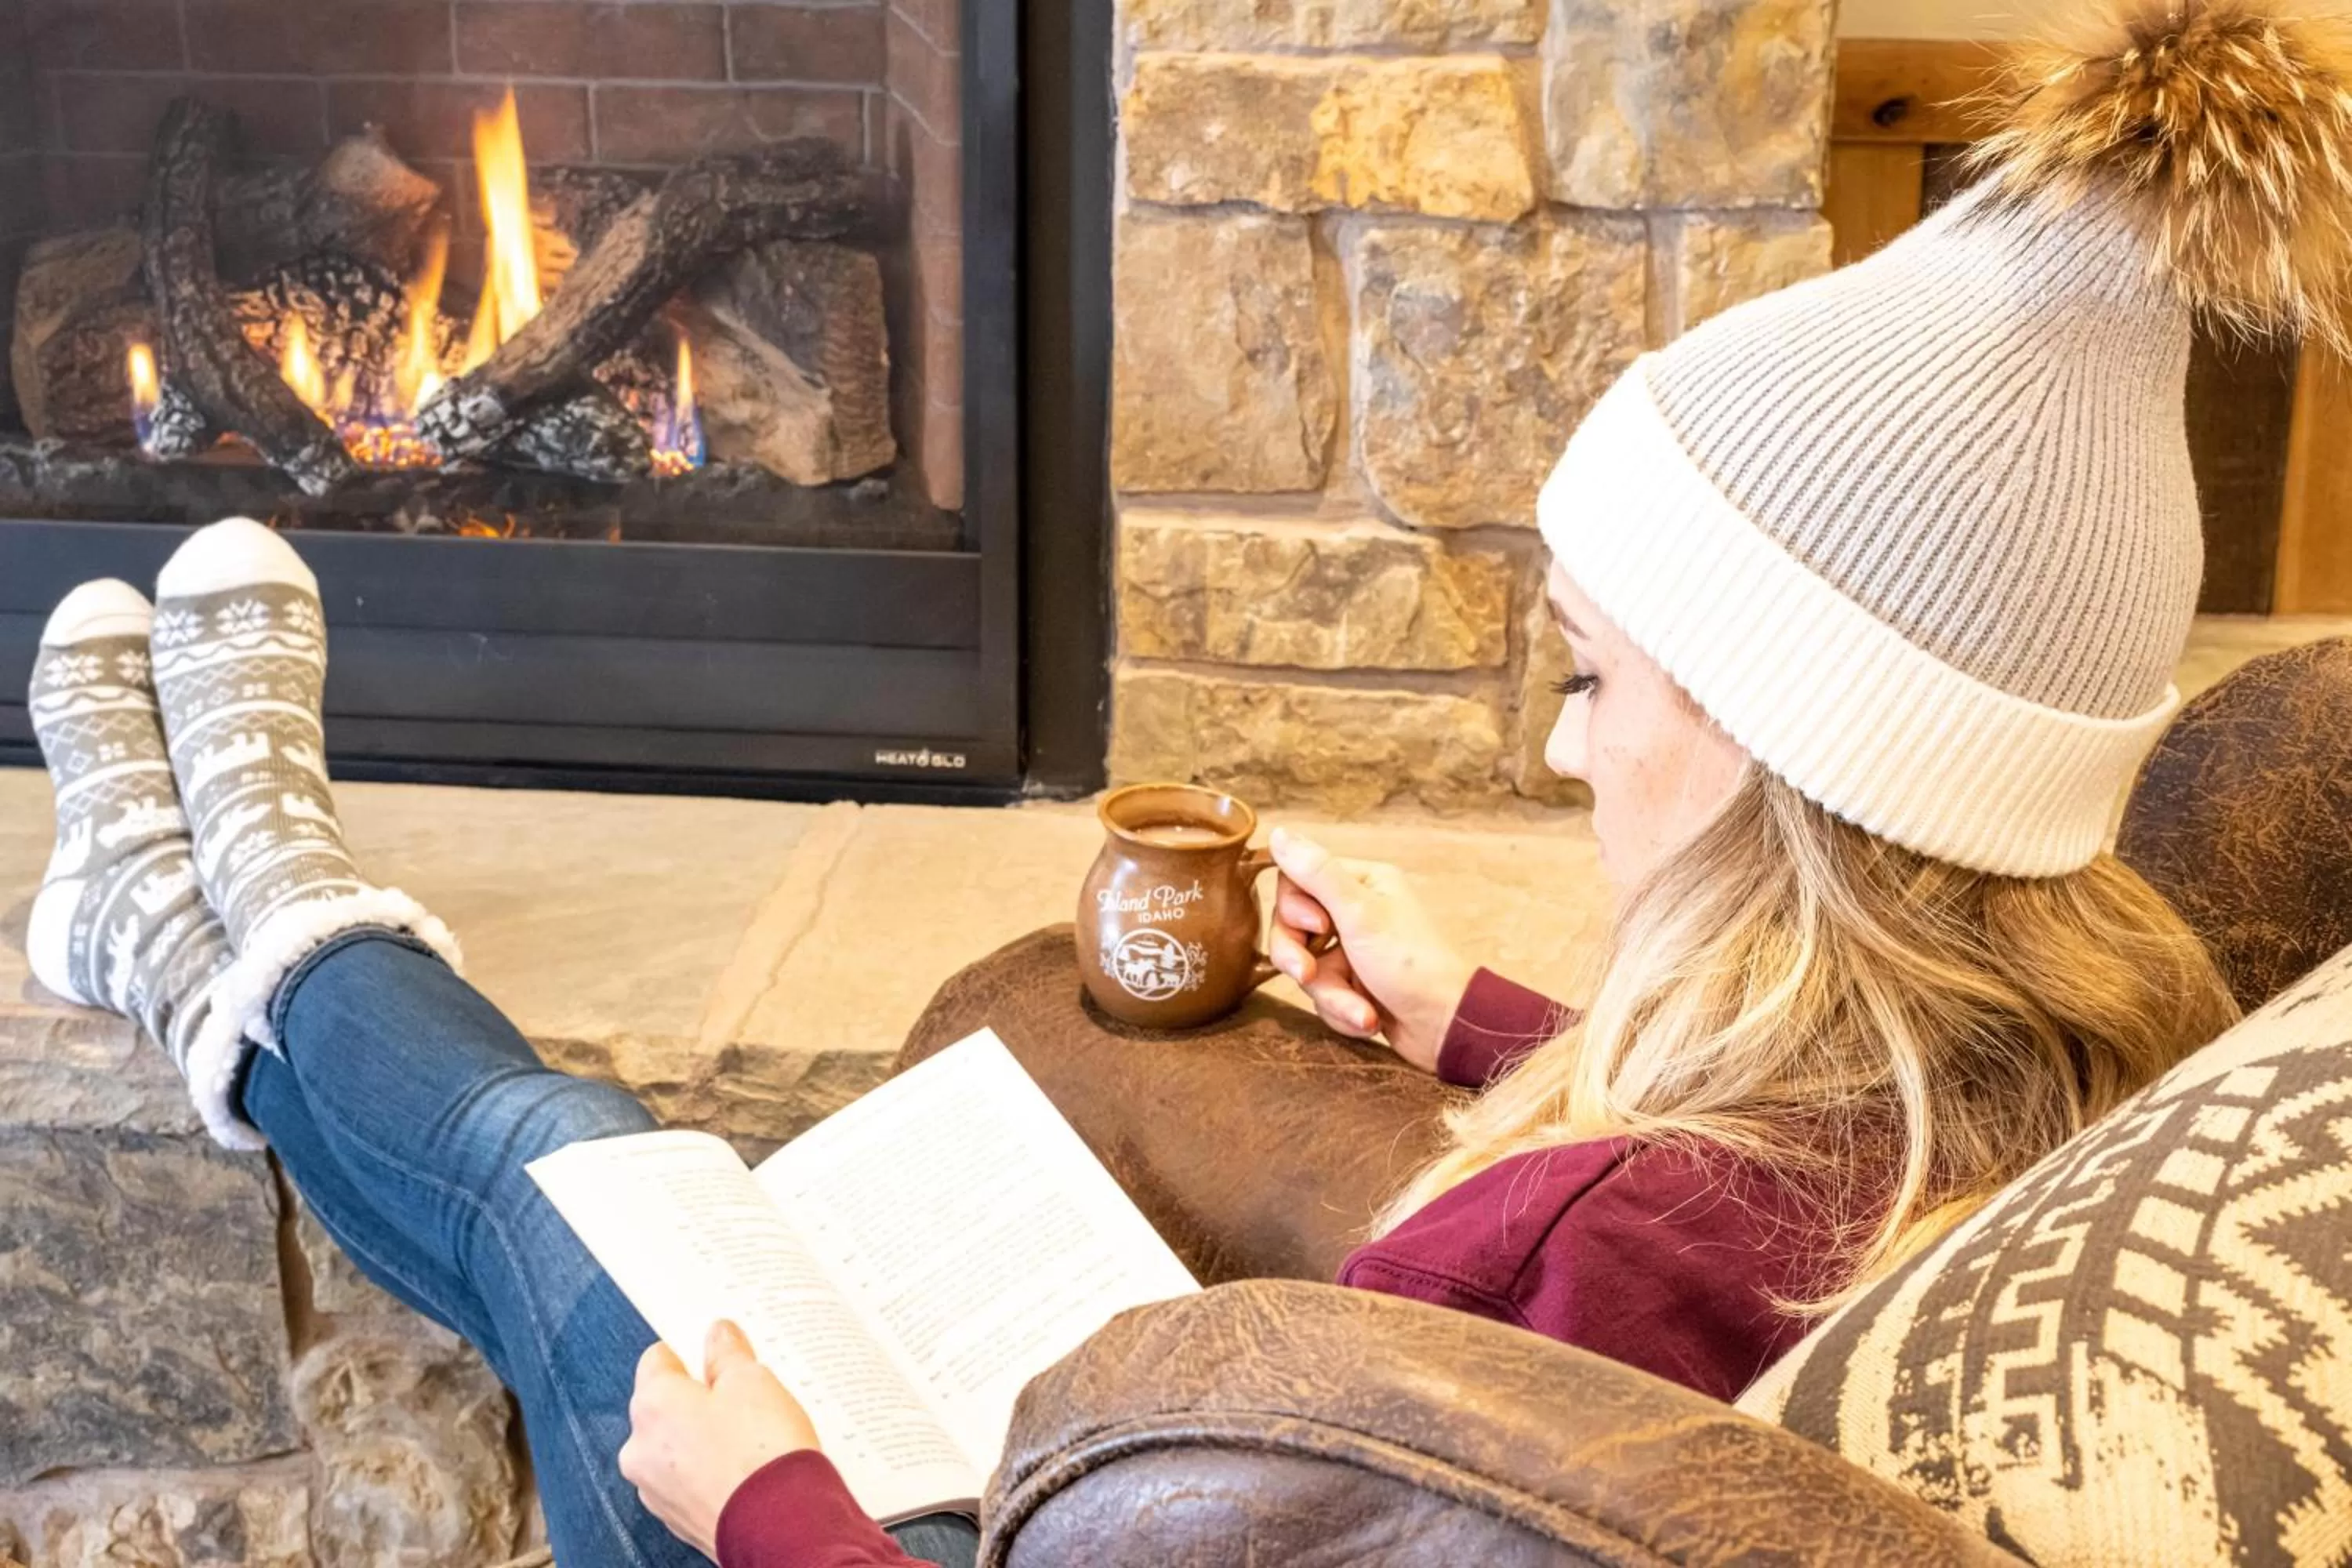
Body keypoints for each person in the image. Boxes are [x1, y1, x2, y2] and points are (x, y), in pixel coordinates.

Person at [21, 0, 2340, 1562]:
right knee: (613, 1185)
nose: (1557, 750)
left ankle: (234, 896)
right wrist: (1472, 1021)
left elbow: (1652, 1248)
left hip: (878, 1530)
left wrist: (765, 1503)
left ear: (1786, 753)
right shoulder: (2059, 1046)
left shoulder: (1609, 1239)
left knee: (572, 1177)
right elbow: (1754, 1214)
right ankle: (205, 913)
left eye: (1599, 685)